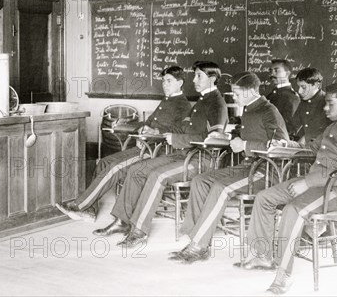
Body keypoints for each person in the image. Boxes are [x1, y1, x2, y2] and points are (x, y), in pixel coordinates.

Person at [239, 80, 337, 295]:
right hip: (317, 184)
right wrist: (288, 145)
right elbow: (313, 146)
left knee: (292, 210)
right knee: (264, 197)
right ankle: (262, 255)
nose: (324, 108)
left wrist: (307, 183)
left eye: (330, 103)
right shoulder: (336, 124)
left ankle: (284, 274)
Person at [168, 71, 288, 263]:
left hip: (265, 171)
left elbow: (281, 143)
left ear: (250, 91)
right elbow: (249, 135)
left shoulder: (268, 110)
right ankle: (195, 239)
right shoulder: (249, 109)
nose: (235, 98)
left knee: (220, 188)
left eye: (238, 94)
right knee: (200, 180)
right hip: (247, 166)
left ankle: (198, 245)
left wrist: (246, 145)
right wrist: (227, 138)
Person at [107, 61, 228, 247]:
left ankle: (139, 231)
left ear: (212, 78)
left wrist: (178, 139)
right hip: (182, 154)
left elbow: (215, 139)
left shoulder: (216, 103)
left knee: (157, 176)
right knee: (137, 169)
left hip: (200, 159)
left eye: (199, 76)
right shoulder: (203, 100)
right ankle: (123, 220)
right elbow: (184, 128)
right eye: (195, 75)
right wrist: (167, 136)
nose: (194, 80)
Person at [55, 65, 191, 223]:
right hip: (144, 146)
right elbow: (147, 123)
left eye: (169, 81)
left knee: (115, 168)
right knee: (104, 162)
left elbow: (179, 131)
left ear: (180, 83)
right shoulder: (166, 101)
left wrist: (154, 131)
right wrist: (137, 126)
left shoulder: (183, 105)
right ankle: (91, 210)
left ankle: (80, 205)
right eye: (163, 81)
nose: (164, 85)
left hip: (157, 152)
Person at [285, 67, 330, 150]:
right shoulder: (304, 102)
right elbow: (293, 126)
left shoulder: (328, 102)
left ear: (316, 85)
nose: (299, 91)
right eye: (299, 87)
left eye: (303, 87)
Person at [266, 59, 300, 134]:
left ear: (287, 73)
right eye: (271, 71)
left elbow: (290, 128)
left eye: (276, 70)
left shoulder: (291, 97)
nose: (272, 74)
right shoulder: (273, 94)